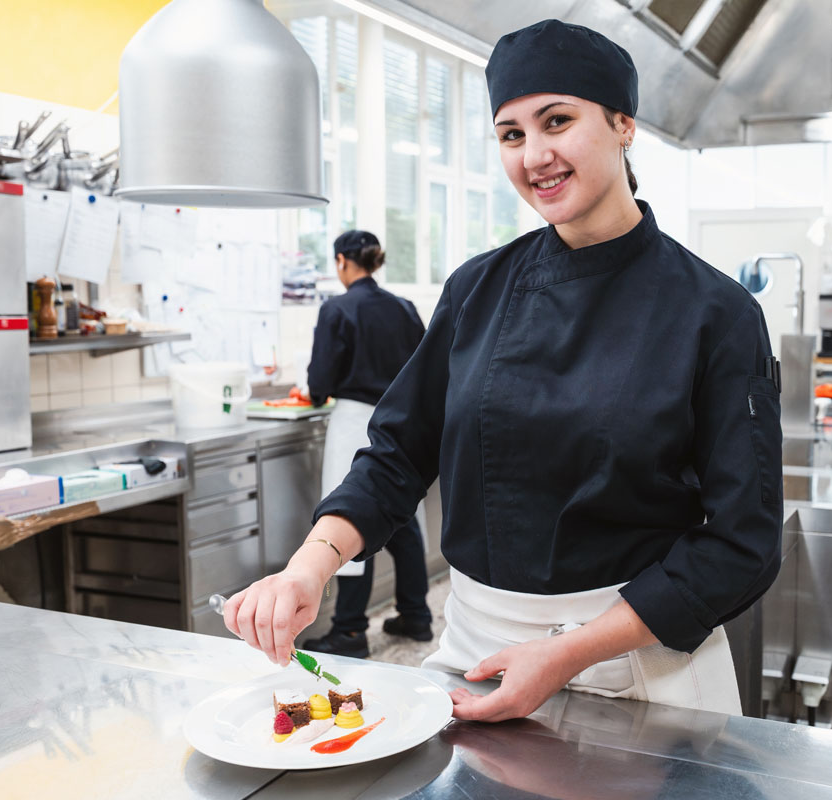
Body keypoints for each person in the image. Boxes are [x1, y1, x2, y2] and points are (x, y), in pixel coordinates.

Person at [226, 19, 783, 723]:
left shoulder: (715, 311)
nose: (535, 155)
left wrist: (568, 651)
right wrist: (310, 566)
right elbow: (398, 452)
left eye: (558, 121)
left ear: (622, 124)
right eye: (512, 135)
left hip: (638, 662)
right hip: (473, 653)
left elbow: (744, 542)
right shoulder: (477, 290)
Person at [298, 229, 433, 659]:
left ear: (341, 262)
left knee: (349, 515)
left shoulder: (337, 309)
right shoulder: (404, 308)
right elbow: (427, 367)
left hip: (355, 420)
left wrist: (318, 395)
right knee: (403, 520)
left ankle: (350, 632)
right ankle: (417, 615)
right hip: (400, 420)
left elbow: (319, 380)